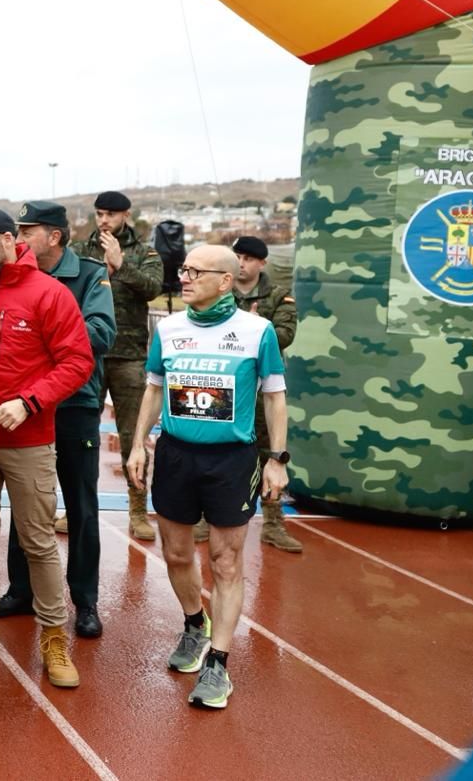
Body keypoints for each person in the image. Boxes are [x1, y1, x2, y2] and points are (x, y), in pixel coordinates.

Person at [127, 244, 290, 711]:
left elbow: (276, 398)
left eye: (196, 271)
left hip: (232, 460)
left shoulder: (257, 331)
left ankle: (218, 662)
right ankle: (194, 625)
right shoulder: (170, 328)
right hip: (178, 456)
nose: (185, 277)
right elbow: (154, 388)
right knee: (176, 553)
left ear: (226, 280)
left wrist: (277, 459)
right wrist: (139, 443)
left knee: (226, 562)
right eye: (184, 269)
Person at [0, 209, 91, 688]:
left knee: (37, 541)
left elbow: (78, 362)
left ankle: (55, 636)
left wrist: (30, 402)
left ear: (9, 240)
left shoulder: (49, 294)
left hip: (30, 440)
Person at [0, 202, 116, 639]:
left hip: (73, 406)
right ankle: (21, 590)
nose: (20, 238)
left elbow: (102, 332)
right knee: (26, 503)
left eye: (28, 230)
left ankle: (84, 601)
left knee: (81, 506)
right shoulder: (15, 276)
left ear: (55, 236)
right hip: (26, 408)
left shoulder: (88, 274)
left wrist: (43, 328)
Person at [74, 190, 163, 541]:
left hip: (129, 357)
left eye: (110, 214)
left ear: (126, 215)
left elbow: (154, 287)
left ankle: (138, 509)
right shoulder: (82, 251)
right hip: (90, 355)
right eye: (99, 214)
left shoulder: (145, 253)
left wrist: (122, 266)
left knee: (133, 436)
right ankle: (80, 509)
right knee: (82, 436)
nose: (103, 221)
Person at [228, 235, 301, 553]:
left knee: (270, 452)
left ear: (262, 263)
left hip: (264, 388)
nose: (241, 263)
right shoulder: (222, 292)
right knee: (222, 454)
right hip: (229, 387)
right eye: (237, 257)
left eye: (247, 258)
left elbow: (286, 334)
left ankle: (273, 523)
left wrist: (260, 327)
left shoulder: (278, 296)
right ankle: (207, 517)